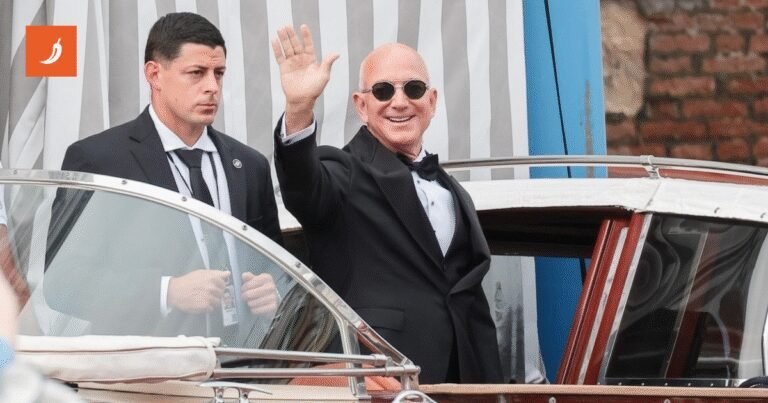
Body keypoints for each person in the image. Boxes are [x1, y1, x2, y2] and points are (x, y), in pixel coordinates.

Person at [270, 25, 503, 384]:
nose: (399, 102)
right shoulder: (344, 172)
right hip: (380, 379)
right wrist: (299, 108)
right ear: (361, 106)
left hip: (463, 381)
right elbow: (303, 188)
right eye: (383, 91)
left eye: (413, 89)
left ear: (432, 101)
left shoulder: (453, 191)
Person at [53, 12, 281, 339]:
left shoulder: (249, 165)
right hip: (149, 363)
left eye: (218, 73)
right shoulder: (100, 160)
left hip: (243, 359)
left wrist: (273, 290)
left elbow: (273, 267)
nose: (212, 87)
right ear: (154, 74)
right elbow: (64, 282)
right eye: (196, 73)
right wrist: (167, 291)